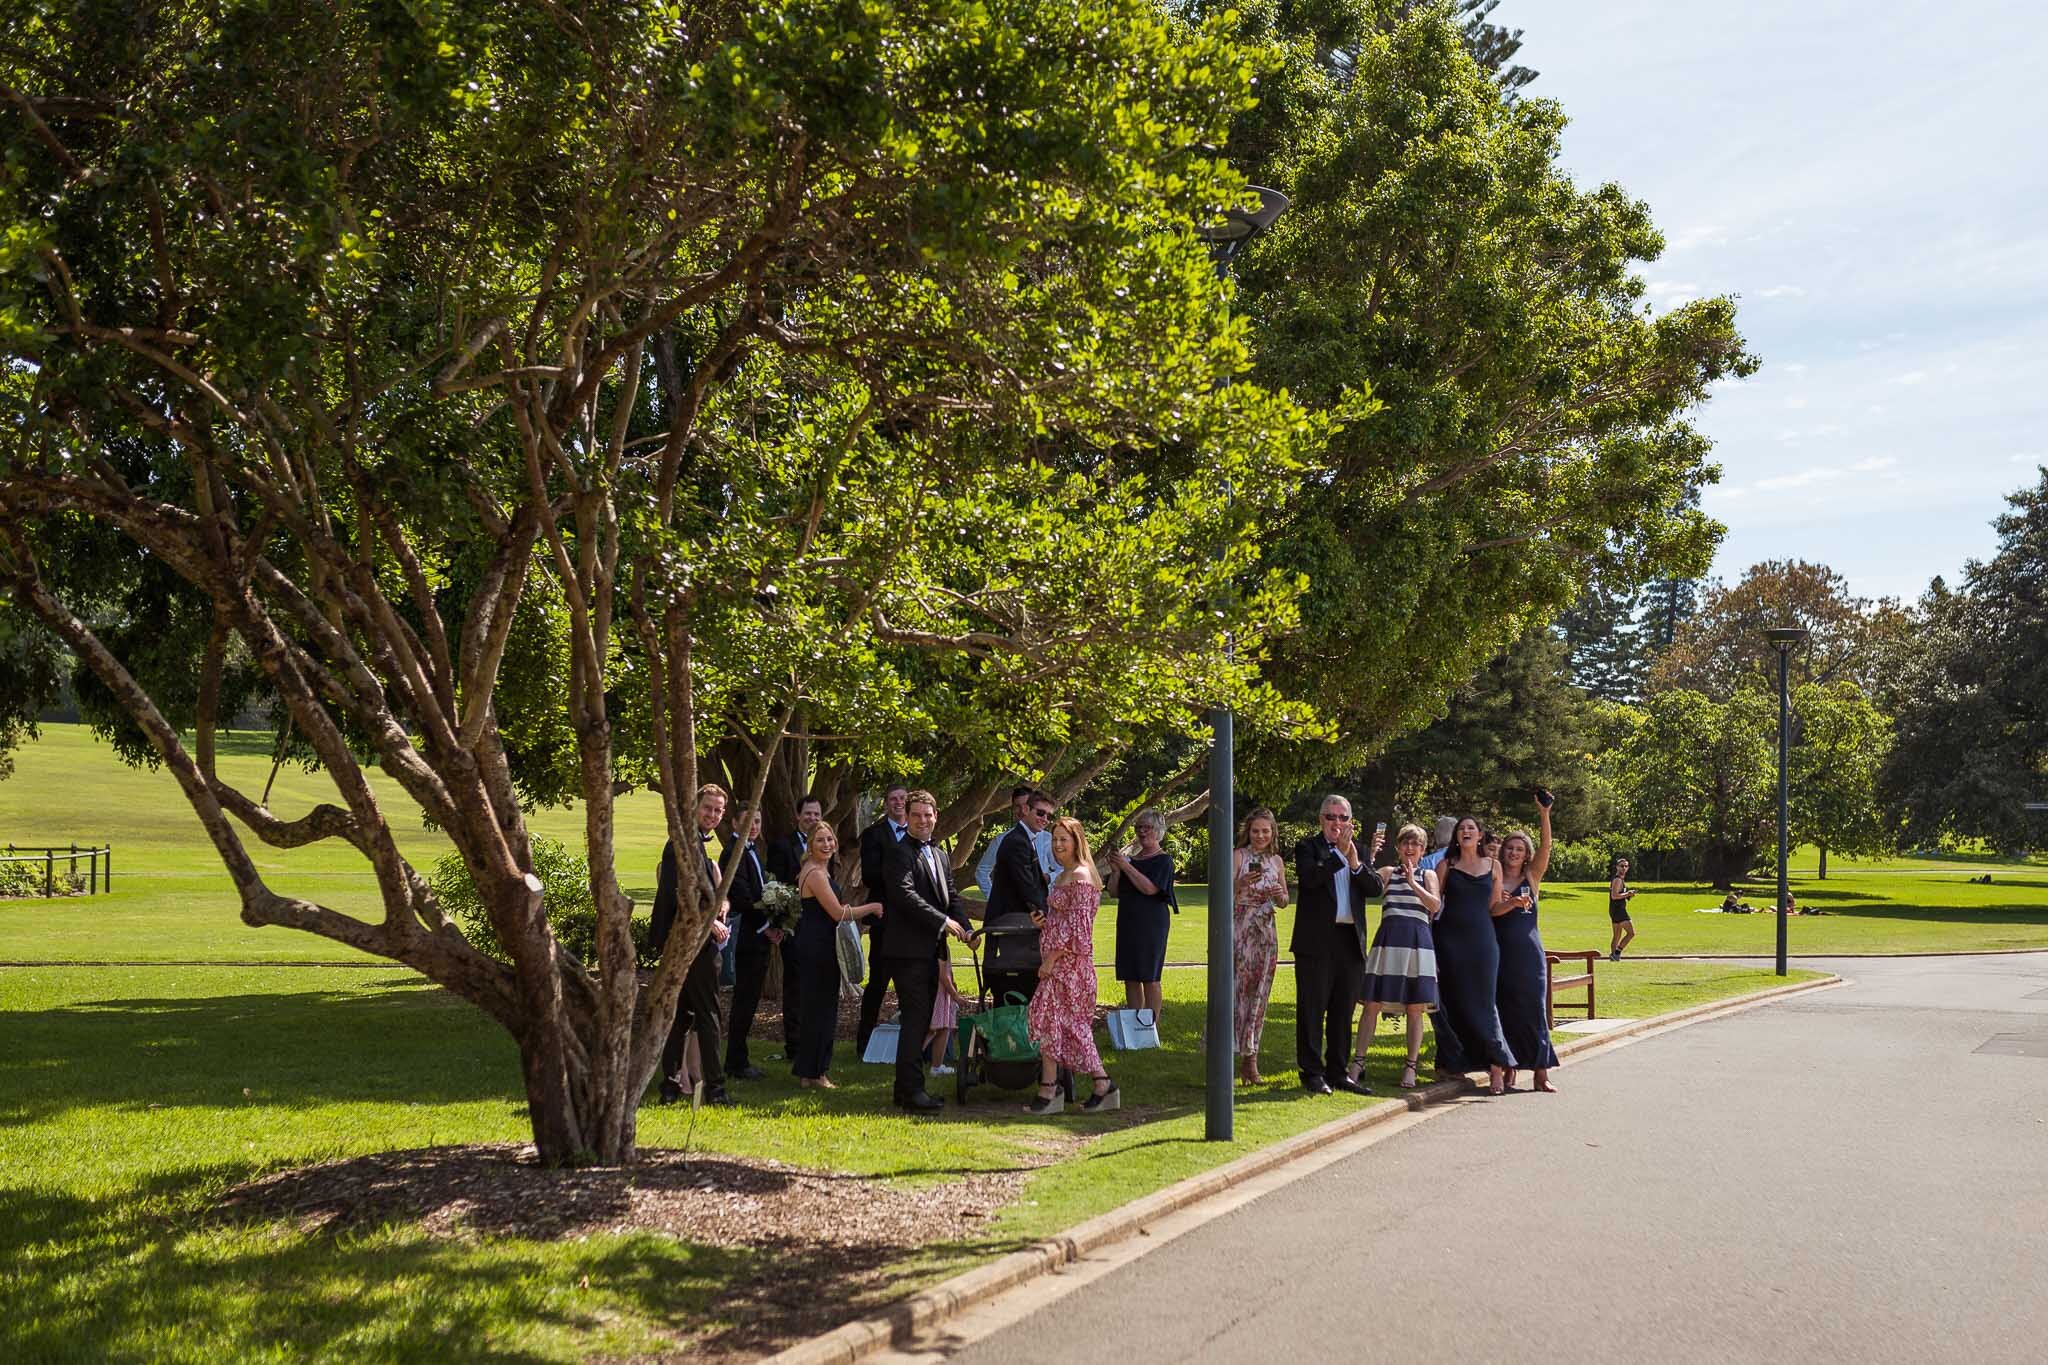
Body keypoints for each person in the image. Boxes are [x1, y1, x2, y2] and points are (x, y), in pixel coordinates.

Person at [876, 789, 975, 1112]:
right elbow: (904, 895)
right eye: (916, 815)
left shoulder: (940, 854)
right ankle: (911, 1092)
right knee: (916, 1020)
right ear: (907, 816)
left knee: (920, 1020)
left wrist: (967, 928)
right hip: (906, 951)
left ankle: (905, 1090)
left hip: (932, 951)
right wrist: (943, 921)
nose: (922, 821)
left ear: (936, 816)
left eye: (927, 815)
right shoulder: (898, 852)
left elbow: (953, 898)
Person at [1292, 795, 1385, 1096]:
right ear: (1321, 820)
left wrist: (1354, 861)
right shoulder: (1308, 848)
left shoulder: (1362, 851)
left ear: (1351, 822)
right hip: (1317, 941)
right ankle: (1312, 1072)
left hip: (1349, 940)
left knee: (1343, 1011)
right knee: (1312, 1008)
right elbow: (1309, 879)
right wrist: (1337, 856)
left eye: (1343, 818)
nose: (1337, 823)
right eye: (1331, 817)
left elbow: (1374, 888)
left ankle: (1338, 1071)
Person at [1026, 817, 1118, 1114]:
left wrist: (1051, 960)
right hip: (1058, 965)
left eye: (1064, 839)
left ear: (1077, 841)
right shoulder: (1064, 874)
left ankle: (1103, 1084)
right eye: (1054, 840)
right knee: (1049, 1022)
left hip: (1071, 969)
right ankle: (1050, 1088)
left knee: (1073, 1026)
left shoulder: (1081, 876)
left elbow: (1079, 932)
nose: (1058, 845)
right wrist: (1044, 922)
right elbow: (1063, 922)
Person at [649, 783, 734, 1105]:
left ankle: (670, 1087)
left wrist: (720, 906)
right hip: (690, 943)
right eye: (708, 808)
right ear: (694, 808)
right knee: (708, 1015)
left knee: (683, 1015)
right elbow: (677, 898)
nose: (712, 814)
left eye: (717, 810)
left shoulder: (696, 845)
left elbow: (703, 893)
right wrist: (709, 921)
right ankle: (716, 1089)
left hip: (692, 940)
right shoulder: (680, 847)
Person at [1347, 824, 1441, 1092]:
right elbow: (1364, 885)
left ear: (1423, 850)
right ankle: (1358, 1063)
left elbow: (1435, 905)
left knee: (1415, 1008)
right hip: (1388, 942)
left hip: (1417, 944)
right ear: (1398, 847)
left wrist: (1413, 883)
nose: (1410, 848)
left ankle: (1410, 1066)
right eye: (1405, 843)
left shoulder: (1429, 874)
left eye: (1416, 844)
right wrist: (1371, 856)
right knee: (1372, 1004)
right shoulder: (1388, 873)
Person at [790, 822, 882, 1088]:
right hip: (818, 946)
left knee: (818, 1008)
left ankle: (809, 1071)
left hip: (819, 943)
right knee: (821, 1010)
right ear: (810, 844)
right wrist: (872, 907)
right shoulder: (815, 874)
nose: (827, 845)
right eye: (820, 840)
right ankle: (816, 1073)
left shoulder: (818, 869)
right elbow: (838, 913)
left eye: (830, 839)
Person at [1432, 815, 1516, 1095]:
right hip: (1449, 942)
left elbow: (1494, 907)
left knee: (1484, 1003)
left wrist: (1512, 903)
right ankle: (1453, 1062)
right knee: (1452, 1001)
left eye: (1471, 828)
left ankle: (1496, 1065)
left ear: (1480, 835)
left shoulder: (1493, 866)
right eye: (1462, 829)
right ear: (1456, 836)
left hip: (1482, 942)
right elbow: (1434, 904)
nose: (1466, 831)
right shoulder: (1446, 865)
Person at [1492, 792, 1559, 1094]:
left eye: (1520, 849)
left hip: (1529, 955)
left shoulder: (1532, 877)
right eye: (1510, 848)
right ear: (1503, 852)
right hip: (1500, 954)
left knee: (1533, 1010)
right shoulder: (1493, 877)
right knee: (1505, 1011)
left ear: (1526, 854)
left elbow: (1547, 846)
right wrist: (1509, 904)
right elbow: (1492, 911)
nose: (1514, 852)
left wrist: (1544, 814)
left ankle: (1541, 1074)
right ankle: (1509, 1069)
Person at [763, 792, 826, 1057]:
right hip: (794, 927)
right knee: (796, 986)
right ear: (798, 816)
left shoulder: (824, 845)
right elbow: (775, 887)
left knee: (816, 986)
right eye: (808, 813)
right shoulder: (782, 846)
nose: (812, 818)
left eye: (816, 814)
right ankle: (795, 1044)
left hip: (820, 927)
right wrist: (779, 924)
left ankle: (813, 1040)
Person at [1231, 807, 1289, 1085]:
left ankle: (1250, 1060)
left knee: (1259, 994)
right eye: (1256, 831)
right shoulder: (1238, 856)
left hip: (1266, 931)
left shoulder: (1277, 861)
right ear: (1248, 832)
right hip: (1242, 927)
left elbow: (1285, 901)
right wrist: (1239, 883)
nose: (1261, 835)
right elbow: (1224, 892)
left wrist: (1280, 894)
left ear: (1273, 832)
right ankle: (1225, 1057)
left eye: (1266, 831)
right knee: (1236, 991)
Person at [982, 789, 1054, 1007]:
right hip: (1012, 926)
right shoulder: (1016, 842)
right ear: (1027, 810)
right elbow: (1027, 888)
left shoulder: (1025, 840)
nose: (1045, 819)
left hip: (1018, 925)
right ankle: (1012, 1033)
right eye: (1040, 813)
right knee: (1015, 983)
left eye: (1049, 816)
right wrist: (1045, 917)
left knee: (1025, 983)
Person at [1106, 807, 1176, 1025]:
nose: (1142, 832)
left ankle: (1150, 1027)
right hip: (1128, 922)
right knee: (1131, 976)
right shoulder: (1131, 861)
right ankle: (1135, 1026)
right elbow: (1114, 892)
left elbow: (1149, 889)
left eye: (1147, 828)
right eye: (1139, 828)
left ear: (1158, 830)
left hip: (1151, 925)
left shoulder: (1163, 861)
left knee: (1150, 976)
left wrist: (1126, 867)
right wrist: (1117, 871)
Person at [856, 784, 912, 1055]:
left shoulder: (918, 832)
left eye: (902, 798)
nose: (898, 803)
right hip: (884, 918)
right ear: (887, 804)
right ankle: (864, 1041)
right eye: (893, 799)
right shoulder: (873, 835)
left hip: (911, 920)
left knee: (908, 984)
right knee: (878, 982)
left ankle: (908, 1043)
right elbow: (869, 875)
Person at [721, 803, 773, 1080]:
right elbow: (741, 896)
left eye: (757, 821)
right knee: (744, 1000)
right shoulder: (733, 853)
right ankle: (736, 1062)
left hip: (757, 938)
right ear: (734, 823)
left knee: (749, 1000)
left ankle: (739, 1057)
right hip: (746, 940)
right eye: (748, 821)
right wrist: (766, 925)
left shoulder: (750, 850)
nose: (753, 826)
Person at [975, 784, 1056, 895]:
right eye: (1018, 806)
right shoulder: (1001, 840)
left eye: (1026, 806)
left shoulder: (1048, 839)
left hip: (1043, 906)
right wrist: (993, 899)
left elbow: (1063, 869)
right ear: (1013, 809)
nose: (1022, 811)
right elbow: (982, 871)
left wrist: (1049, 878)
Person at [927, 955, 964, 1078]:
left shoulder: (942, 944)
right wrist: (955, 995)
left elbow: (948, 972)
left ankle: (936, 1066)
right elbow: (943, 975)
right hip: (938, 993)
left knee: (943, 1028)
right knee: (932, 1030)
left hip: (942, 993)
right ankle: (910, 1064)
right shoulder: (939, 944)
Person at [1609, 856, 1638, 961]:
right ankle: (1617, 952)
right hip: (1619, 910)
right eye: (1621, 866)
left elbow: (1618, 894)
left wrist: (1628, 895)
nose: (1624, 868)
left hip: (1614, 910)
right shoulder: (1617, 880)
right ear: (1617, 867)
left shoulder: (1619, 879)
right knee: (1631, 933)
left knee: (1617, 935)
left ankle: (1613, 956)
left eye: (1626, 866)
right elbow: (1614, 896)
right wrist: (1627, 894)